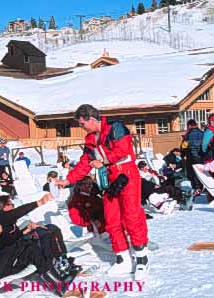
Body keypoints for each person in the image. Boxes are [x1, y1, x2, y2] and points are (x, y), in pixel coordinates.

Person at [55, 104, 149, 280]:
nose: (81, 127)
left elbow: (122, 151)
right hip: (108, 179)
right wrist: (68, 180)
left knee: (131, 216)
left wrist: (103, 161)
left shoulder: (116, 127)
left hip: (126, 175)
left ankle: (142, 258)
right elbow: (85, 163)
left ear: (90, 119)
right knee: (112, 220)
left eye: (82, 124)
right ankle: (123, 258)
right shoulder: (90, 140)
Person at [0, 207, 71, 295]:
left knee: (31, 247)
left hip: (2, 265)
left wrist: (27, 229)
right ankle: (56, 280)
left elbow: (5, 242)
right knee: (24, 243)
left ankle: (56, 279)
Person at [0, 194, 80, 291]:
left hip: (17, 248)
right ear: (4, 207)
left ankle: (62, 261)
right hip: (11, 259)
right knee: (44, 235)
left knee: (51, 228)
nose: (14, 206)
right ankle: (56, 272)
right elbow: (18, 212)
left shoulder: (8, 221)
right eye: (11, 204)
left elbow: (13, 237)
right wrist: (40, 202)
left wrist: (28, 228)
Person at [181, 119, 204, 193]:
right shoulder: (202, 133)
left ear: (189, 125)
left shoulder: (188, 134)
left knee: (191, 173)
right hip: (200, 156)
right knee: (200, 172)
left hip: (190, 156)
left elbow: (184, 146)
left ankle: (196, 188)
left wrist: (182, 155)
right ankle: (201, 187)